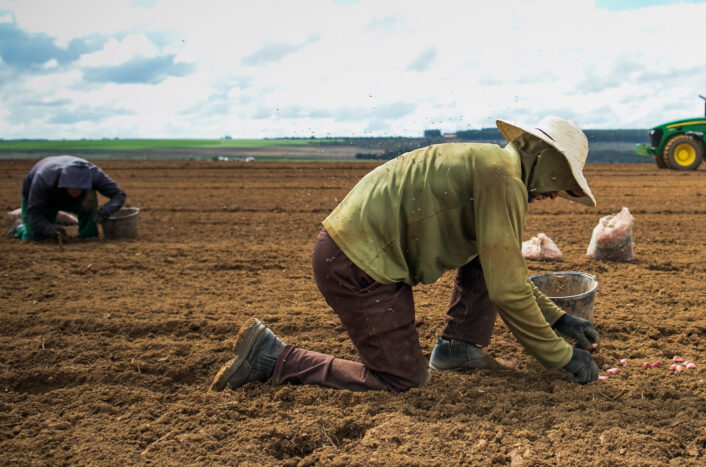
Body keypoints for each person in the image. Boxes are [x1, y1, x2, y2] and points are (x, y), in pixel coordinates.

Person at [210, 115, 603, 393]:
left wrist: (559, 319)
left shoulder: (494, 166)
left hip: (354, 251)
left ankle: (458, 349)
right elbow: (509, 292)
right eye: (563, 182)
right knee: (401, 380)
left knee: (485, 259)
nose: (556, 195)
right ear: (545, 160)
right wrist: (561, 357)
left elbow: (504, 270)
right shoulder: (504, 180)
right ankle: (275, 357)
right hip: (356, 264)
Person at [7, 156, 127, 242]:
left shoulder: (95, 175)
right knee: (36, 237)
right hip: (42, 198)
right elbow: (33, 212)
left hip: (70, 197)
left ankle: (88, 234)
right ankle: (20, 229)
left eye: (80, 189)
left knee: (89, 198)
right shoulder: (44, 179)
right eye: (72, 188)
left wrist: (105, 210)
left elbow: (118, 195)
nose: (76, 191)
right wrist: (51, 229)